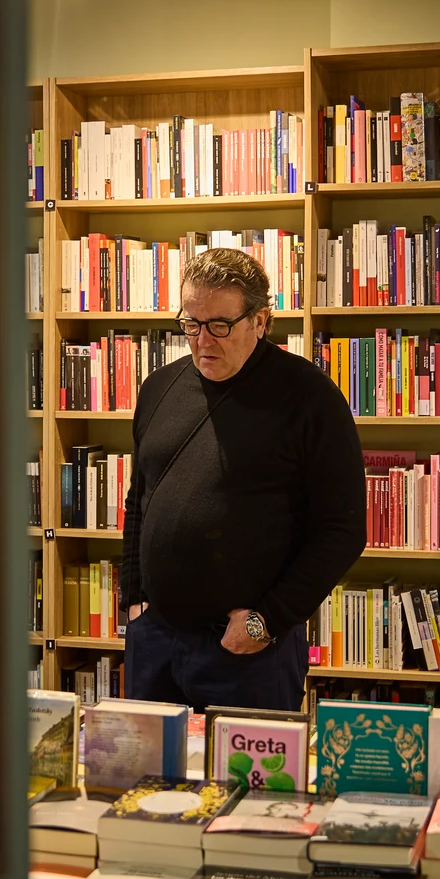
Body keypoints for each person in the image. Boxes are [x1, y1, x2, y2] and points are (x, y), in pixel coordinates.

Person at [118, 248, 364, 711]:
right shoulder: (158, 388)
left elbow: (342, 530)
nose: (202, 341)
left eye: (219, 325)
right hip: (154, 640)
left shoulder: (311, 398)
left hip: (248, 651)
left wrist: (266, 622)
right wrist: (133, 601)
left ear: (261, 321)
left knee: (254, 784)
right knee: (146, 782)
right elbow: (140, 500)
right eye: (191, 323)